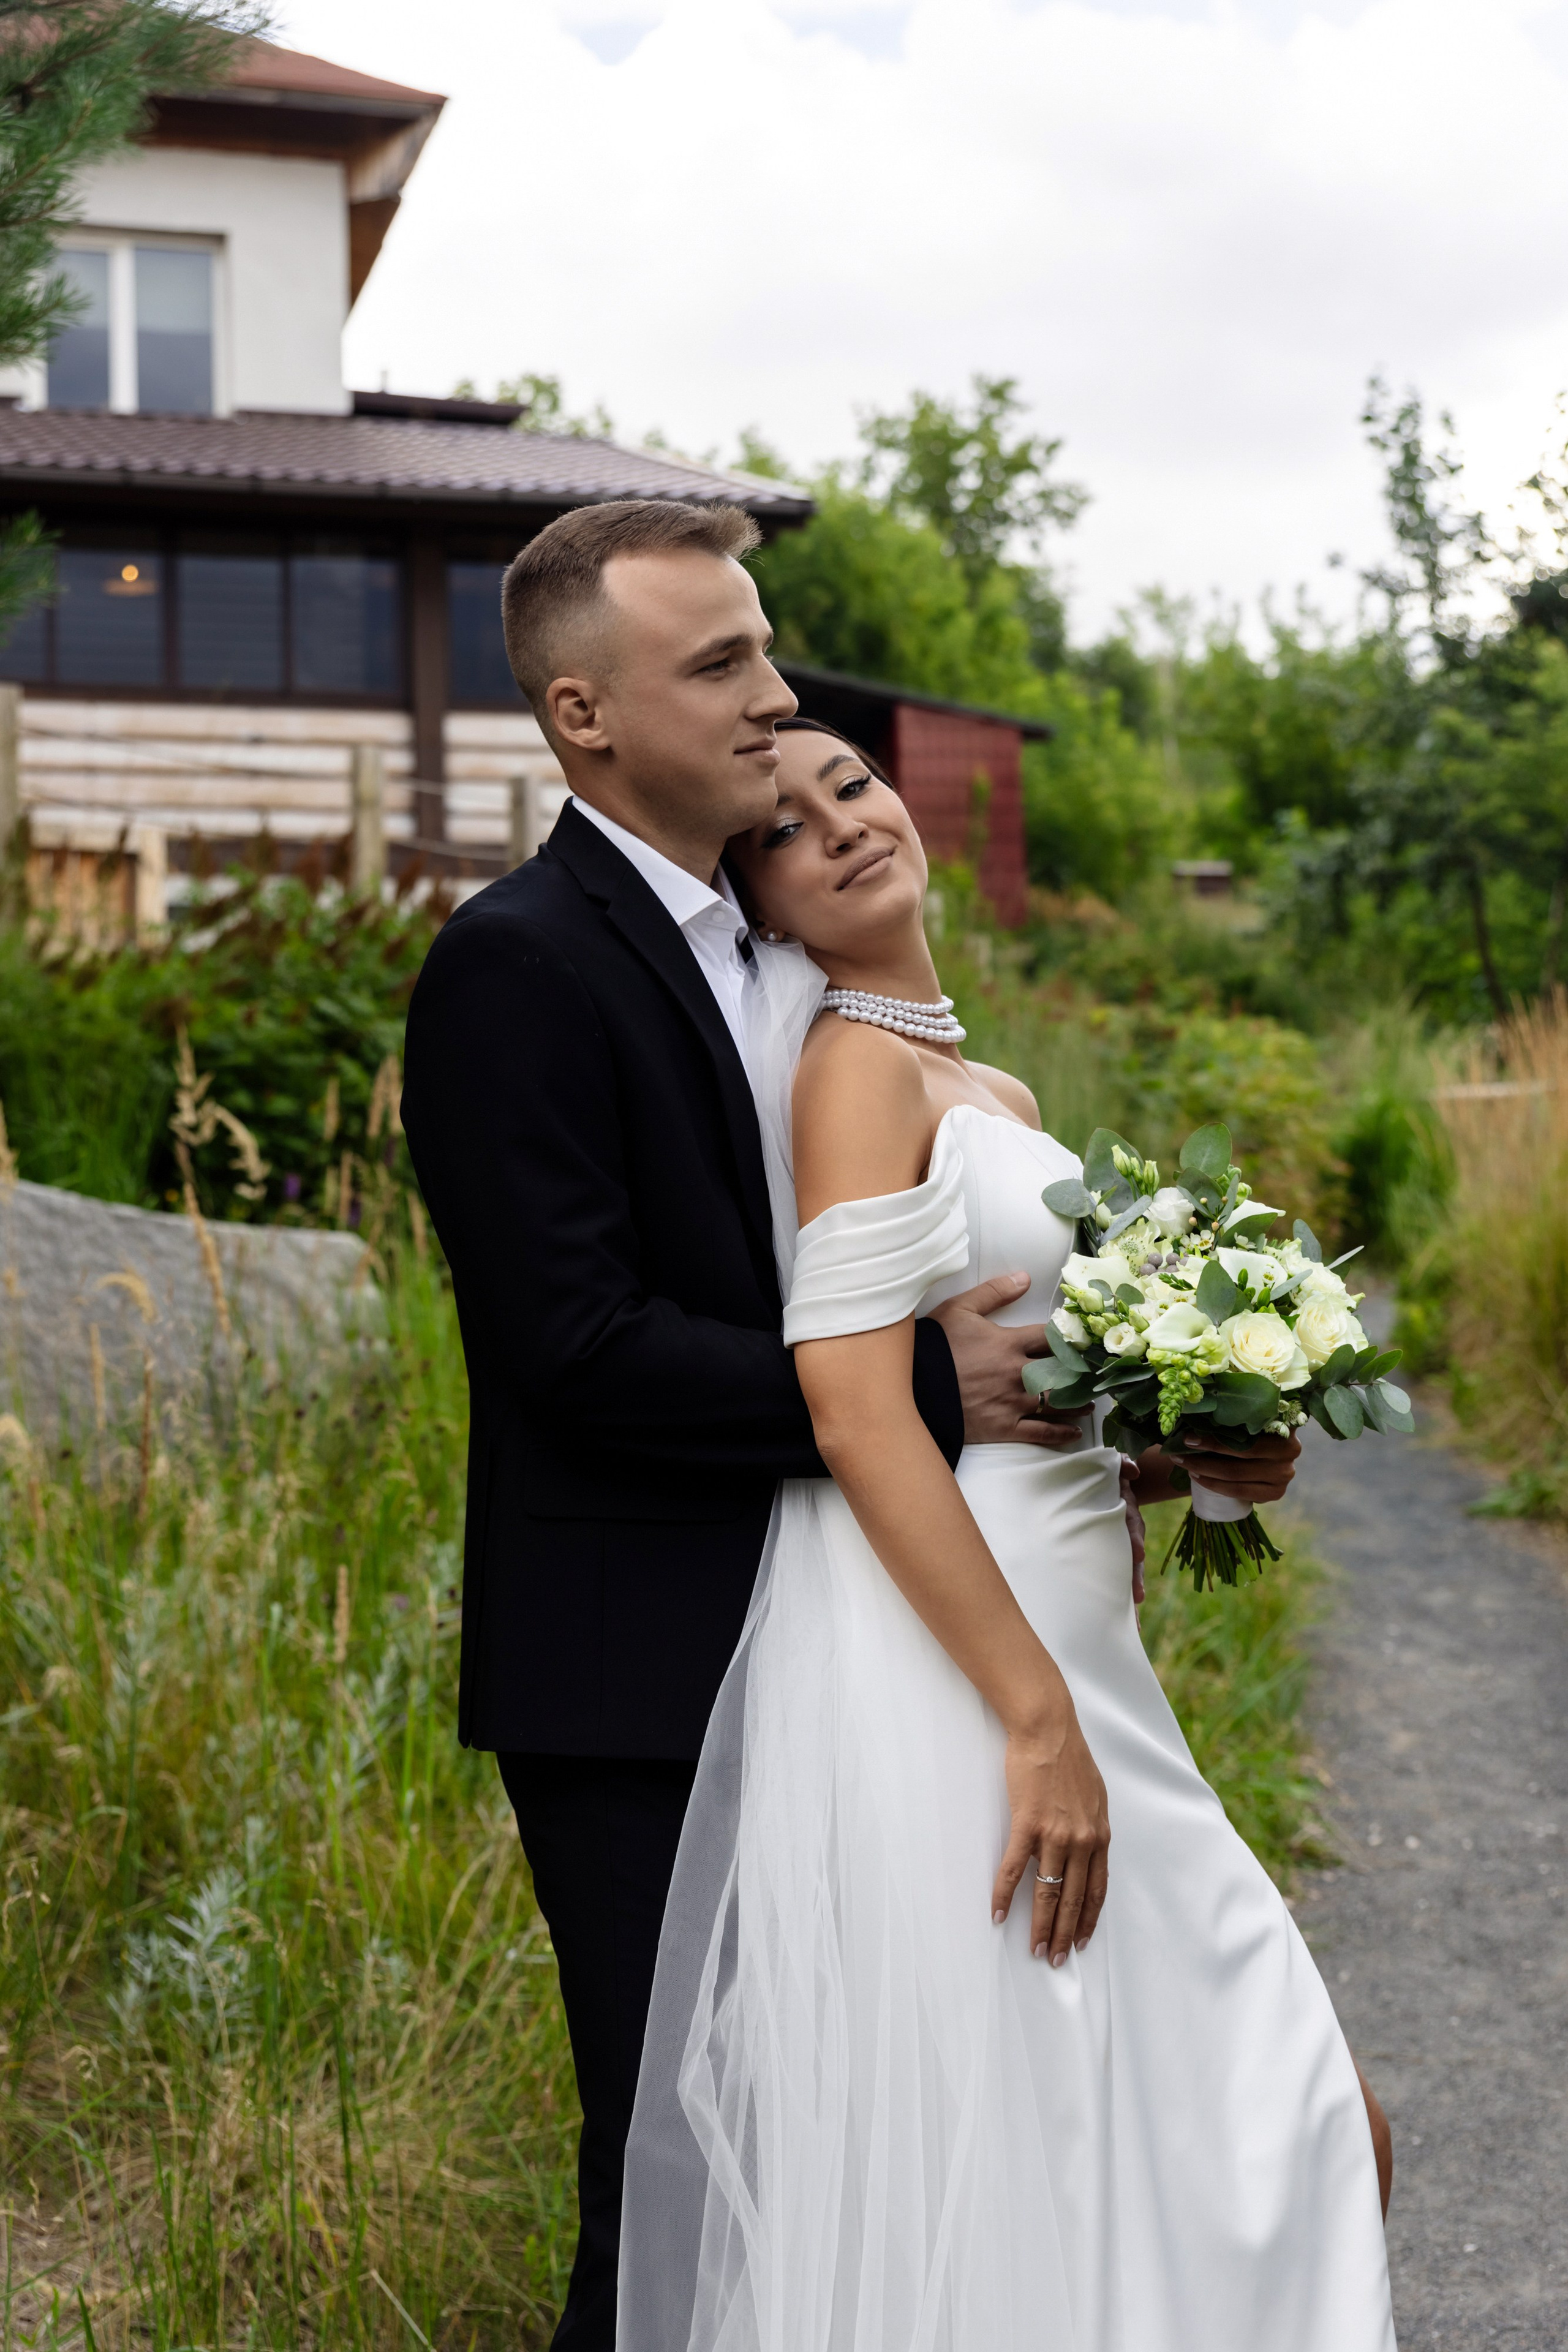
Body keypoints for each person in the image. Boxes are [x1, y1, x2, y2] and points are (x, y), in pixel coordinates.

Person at [402, 499, 1264, 2351]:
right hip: (639, 1670)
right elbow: (574, 1344)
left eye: (764, 645)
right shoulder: (514, 964)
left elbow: (914, 1261)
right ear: (584, 714)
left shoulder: (802, 963)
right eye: (718, 663)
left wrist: (1158, 1419)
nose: (773, 689)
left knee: (874, 2164)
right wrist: (914, 1405)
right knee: (676, 2177)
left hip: (866, 1647)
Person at [616, 715, 1396, 2350]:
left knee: (1228, 2117)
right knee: (1175, 2115)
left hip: (1085, 1640)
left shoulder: (993, 1082)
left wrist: (1206, 1449)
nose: (838, 826)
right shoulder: (852, 1072)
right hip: (971, 1667)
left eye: (849, 786)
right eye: (783, 831)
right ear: (756, 902)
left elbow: (1043, 1409)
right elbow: (854, 1408)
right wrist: (1031, 1717)